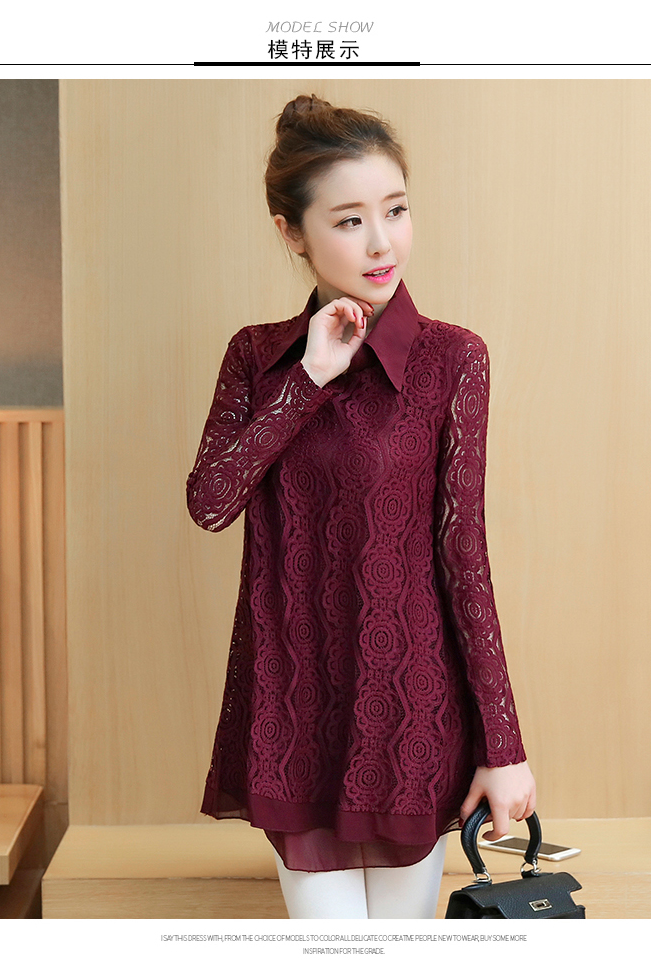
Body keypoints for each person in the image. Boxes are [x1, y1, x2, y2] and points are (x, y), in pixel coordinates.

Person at [186, 94, 536, 919]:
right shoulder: (257, 358)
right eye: (349, 220)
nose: (382, 243)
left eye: (396, 210)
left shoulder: (454, 360)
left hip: (411, 711)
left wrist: (504, 747)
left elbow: (464, 556)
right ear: (292, 232)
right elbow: (210, 502)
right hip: (294, 709)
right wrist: (309, 378)